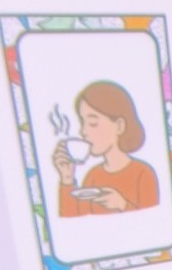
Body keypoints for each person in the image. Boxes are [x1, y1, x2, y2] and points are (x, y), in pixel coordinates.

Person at [53, 80, 159, 215]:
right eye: (82, 122)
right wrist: (67, 179)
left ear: (119, 126)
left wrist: (122, 205)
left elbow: (153, 222)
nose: (83, 131)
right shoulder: (93, 176)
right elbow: (74, 223)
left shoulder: (143, 174)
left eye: (93, 123)